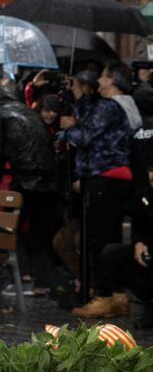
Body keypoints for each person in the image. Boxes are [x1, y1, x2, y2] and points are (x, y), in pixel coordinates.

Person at [63, 67, 140, 319]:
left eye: (103, 76)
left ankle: (104, 296)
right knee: (111, 239)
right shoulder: (124, 105)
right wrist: (79, 98)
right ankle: (118, 296)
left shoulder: (109, 106)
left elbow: (84, 136)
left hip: (104, 177)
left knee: (98, 240)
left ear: (114, 80)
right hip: (117, 178)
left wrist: (67, 129)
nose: (98, 80)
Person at [0, 81, 59, 292]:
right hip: (48, 183)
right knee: (38, 232)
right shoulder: (30, 113)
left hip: (23, 181)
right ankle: (41, 281)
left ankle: (22, 278)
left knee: (11, 229)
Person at [80, 166, 153, 322]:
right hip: (147, 252)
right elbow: (138, 227)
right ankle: (140, 300)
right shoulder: (144, 196)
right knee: (111, 253)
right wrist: (139, 242)